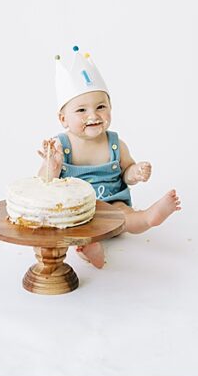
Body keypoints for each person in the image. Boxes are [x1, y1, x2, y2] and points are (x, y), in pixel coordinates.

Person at [38, 46, 181, 267]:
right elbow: (44, 184)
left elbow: (126, 173)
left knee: (125, 216)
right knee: (67, 229)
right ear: (63, 118)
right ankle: (92, 249)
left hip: (112, 207)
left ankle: (147, 217)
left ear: (111, 108)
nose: (93, 115)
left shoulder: (115, 143)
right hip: (77, 212)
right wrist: (52, 165)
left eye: (101, 107)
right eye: (81, 110)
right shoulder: (60, 146)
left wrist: (136, 172)